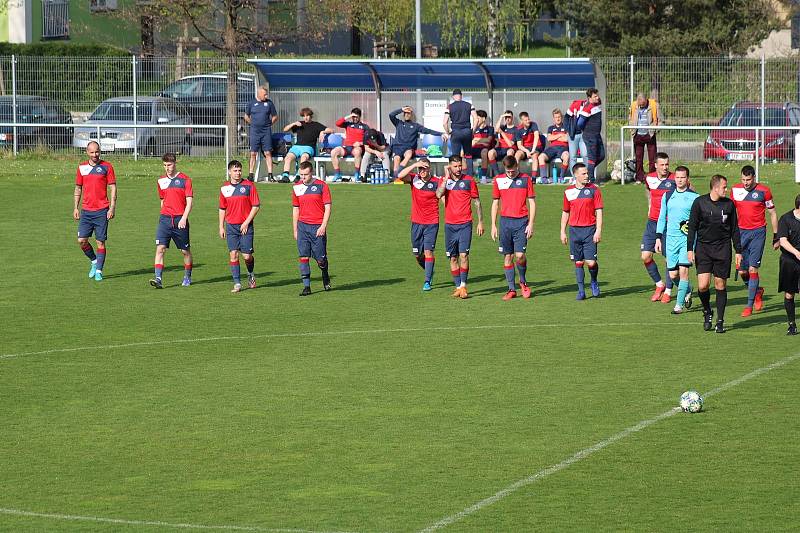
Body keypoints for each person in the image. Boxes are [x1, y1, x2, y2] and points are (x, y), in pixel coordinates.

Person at [687, 175, 743, 333]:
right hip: (703, 249)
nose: (727, 189)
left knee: (720, 284)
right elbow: (692, 227)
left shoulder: (729, 205)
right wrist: (690, 248)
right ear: (715, 187)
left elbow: (734, 229)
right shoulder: (699, 203)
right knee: (703, 285)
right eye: (724, 187)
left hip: (723, 249)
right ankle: (707, 311)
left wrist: (738, 250)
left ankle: (720, 320)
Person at [730, 165, 778, 317]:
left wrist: (776, 235)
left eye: (748, 180)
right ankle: (757, 291)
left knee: (752, 270)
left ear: (754, 178)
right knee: (743, 272)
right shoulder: (735, 191)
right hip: (741, 233)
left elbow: (772, 213)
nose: (745, 183)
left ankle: (749, 306)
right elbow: (730, 211)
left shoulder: (764, 191)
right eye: (743, 179)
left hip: (758, 233)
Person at [436, 155, 484, 299]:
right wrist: (445, 179)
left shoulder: (469, 180)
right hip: (450, 225)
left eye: (459, 166)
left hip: (465, 224)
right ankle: (458, 287)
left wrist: (481, 222)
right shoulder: (445, 181)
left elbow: (477, 202)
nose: (458, 169)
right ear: (449, 166)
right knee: (453, 258)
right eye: (455, 166)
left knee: (464, 255)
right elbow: (438, 195)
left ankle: (463, 285)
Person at [655, 166, 699, 314]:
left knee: (684, 271)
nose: (680, 180)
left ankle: (678, 306)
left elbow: (699, 220)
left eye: (683, 177)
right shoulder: (667, 196)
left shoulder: (695, 197)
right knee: (673, 275)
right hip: (670, 239)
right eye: (678, 177)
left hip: (687, 240)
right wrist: (658, 238)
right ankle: (687, 289)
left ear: (688, 179)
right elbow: (662, 217)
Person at [491, 156, 536, 300]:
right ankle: (511, 289)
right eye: (508, 171)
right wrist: (493, 225)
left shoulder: (526, 179)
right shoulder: (498, 180)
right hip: (505, 223)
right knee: (508, 256)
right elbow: (495, 204)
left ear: (517, 166)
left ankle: (522, 282)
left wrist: (531, 223)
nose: (510, 174)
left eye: (512, 171)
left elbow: (532, 203)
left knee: (520, 256)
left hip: (521, 222)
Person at [74, 141, 116, 282]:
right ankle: (94, 261)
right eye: (92, 152)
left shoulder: (107, 167)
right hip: (86, 211)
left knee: (100, 242)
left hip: (102, 210)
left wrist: (112, 207)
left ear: (100, 151)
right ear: (87, 152)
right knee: (81, 241)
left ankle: (99, 270)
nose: (95, 154)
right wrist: (75, 207)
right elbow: (78, 188)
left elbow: (113, 187)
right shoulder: (82, 167)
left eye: (97, 151)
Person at [150, 153, 193, 289]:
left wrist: (184, 218)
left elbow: (189, 201)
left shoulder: (185, 179)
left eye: (169, 165)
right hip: (165, 220)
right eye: (164, 165)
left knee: (185, 251)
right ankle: (158, 278)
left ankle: (187, 275)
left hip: (180, 219)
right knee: (160, 249)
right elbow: (162, 200)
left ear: (175, 163)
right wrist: (164, 216)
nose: (167, 168)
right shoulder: (161, 181)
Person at [560, 162, 603, 300]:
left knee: (591, 262)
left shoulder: (594, 190)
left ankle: (594, 282)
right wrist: (562, 231)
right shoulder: (568, 191)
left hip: (590, 230)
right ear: (576, 175)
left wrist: (598, 230)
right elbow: (565, 212)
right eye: (583, 173)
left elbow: (599, 211)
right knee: (578, 262)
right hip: (574, 231)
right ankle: (581, 291)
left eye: (587, 173)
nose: (586, 175)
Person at [397, 158, 441, 291]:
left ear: (430, 169)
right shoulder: (414, 180)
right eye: (420, 168)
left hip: (432, 222)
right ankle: (429, 269)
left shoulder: (436, 182)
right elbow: (399, 175)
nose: (422, 170)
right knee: (417, 254)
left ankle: (427, 280)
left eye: (425, 168)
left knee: (428, 251)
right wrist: (415, 164)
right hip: (416, 223)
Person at [219, 160, 260, 293]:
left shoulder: (249, 186)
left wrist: (246, 222)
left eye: (239, 170)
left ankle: (250, 273)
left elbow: (256, 206)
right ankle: (237, 283)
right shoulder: (224, 188)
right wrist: (221, 226)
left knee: (247, 256)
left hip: (246, 226)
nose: (238, 173)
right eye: (235, 171)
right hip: (231, 226)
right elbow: (222, 208)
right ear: (229, 172)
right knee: (233, 255)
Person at [292, 161, 332, 295]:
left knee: (321, 259)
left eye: (305, 174)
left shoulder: (322, 186)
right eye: (301, 174)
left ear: (312, 173)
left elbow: (327, 207)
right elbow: (295, 210)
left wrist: (323, 226)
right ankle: (306, 287)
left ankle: (325, 274)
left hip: (317, 227)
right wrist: (295, 229)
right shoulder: (296, 187)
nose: (303, 177)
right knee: (303, 256)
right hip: (302, 226)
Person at [641, 152, 675, 302]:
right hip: (652, 222)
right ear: (655, 165)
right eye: (662, 164)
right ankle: (659, 284)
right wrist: (649, 204)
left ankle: (668, 291)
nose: (665, 167)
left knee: (669, 259)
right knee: (646, 256)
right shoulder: (650, 178)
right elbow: (648, 189)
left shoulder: (676, 178)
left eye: (667, 164)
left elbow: (691, 192)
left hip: (669, 224)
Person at [388, 106, 445, 178]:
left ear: (411, 115)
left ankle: (398, 174)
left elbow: (428, 131)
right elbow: (391, 115)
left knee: (408, 154)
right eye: (405, 113)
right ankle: (396, 177)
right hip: (397, 147)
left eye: (409, 113)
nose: (407, 115)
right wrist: (401, 109)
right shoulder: (399, 123)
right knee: (396, 159)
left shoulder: (416, 126)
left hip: (408, 149)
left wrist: (441, 134)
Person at [280, 108, 331, 183]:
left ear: (311, 116)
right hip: (297, 147)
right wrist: (293, 124)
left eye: (307, 115)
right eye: (304, 116)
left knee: (304, 157)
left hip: (308, 147)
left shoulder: (316, 125)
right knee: (288, 157)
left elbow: (331, 130)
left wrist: (322, 132)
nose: (305, 117)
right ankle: (285, 176)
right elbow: (285, 129)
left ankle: (299, 175)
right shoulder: (299, 124)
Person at [775, 194, 800, 335]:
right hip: (789, 261)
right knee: (789, 294)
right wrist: (796, 252)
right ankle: (792, 324)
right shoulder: (786, 219)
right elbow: (783, 240)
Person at [245, 85, 278, 182]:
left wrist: (269, 124)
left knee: (268, 152)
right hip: (255, 131)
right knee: (253, 153)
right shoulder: (251, 103)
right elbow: (246, 116)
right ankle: (251, 174)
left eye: (266, 94)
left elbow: (275, 116)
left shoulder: (269, 103)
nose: (266, 96)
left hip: (266, 131)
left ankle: (270, 175)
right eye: (264, 94)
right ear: (259, 94)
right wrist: (253, 124)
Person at [443, 89, 477, 176]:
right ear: (461, 96)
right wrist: (472, 131)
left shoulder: (450, 107)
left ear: (453, 97)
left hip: (455, 132)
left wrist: (448, 132)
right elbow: (476, 119)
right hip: (467, 131)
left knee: (455, 157)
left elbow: (444, 122)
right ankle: (469, 177)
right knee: (468, 155)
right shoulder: (469, 105)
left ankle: (454, 176)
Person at [629, 93, 662, 183]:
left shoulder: (654, 105)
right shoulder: (634, 105)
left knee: (652, 158)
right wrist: (632, 130)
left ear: (646, 100)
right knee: (639, 158)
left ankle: (652, 177)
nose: (641, 106)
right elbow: (630, 118)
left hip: (650, 134)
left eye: (643, 104)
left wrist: (656, 130)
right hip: (638, 135)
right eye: (640, 105)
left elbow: (660, 119)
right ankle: (639, 177)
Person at [332, 108, 369, 182]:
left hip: (356, 148)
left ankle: (357, 174)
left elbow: (369, 140)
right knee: (334, 152)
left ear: (360, 116)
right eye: (353, 116)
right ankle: (337, 174)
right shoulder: (348, 124)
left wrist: (360, 143)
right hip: (346, 148)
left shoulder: (365, 126)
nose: (355, 118)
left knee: (357, 152)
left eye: (356, 116)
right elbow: (337, 123)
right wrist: (349, 116)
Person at [579, 88, 605, 182]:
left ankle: (586, 171)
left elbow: (599, 99)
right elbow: (580, 123)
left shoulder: (597, 103)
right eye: (595, 96)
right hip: (590, 136)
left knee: (601, 156)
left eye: (597, 95)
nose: (598, 97)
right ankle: (591, 180)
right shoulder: (587, 107)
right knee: (592, 158)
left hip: (597, 135)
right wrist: (586, 130)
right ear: (589, 98)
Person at [538, 108, 570, 183]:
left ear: (561, 117)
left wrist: (555, 137)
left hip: (563, 148)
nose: (558, 119)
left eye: (559, 117)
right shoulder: (551, 128)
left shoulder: (566, 126)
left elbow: (566, 139)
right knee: (541, 157)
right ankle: (544, 179)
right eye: (556, 117)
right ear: (553, 118)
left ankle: (561, 177)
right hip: (552, 148)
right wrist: (560, 135)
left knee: (566, 156)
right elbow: (549, 138)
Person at [514, 111, 543, 180]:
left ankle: (533, 178)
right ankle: (517, 175)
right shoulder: (518, 129)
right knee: (517, 155)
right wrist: (526, 151)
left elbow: (536, 136)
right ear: (522, 121)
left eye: (528, 119)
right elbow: (519, 145)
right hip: (525, 148)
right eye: (526, 120)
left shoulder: (533, 124)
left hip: (535, 147)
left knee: (534, 156)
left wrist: (533, 150)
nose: (528, 121)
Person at [488, 110, 517, 176]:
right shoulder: (502, 127)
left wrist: (502, 133)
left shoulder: (516, 129)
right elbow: (496, 129)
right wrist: (501, 117)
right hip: (501, 148)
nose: (507, 119)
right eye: (506, 117)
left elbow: (510, 144)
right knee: (490, 153)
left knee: (509, 152)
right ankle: (497, 175)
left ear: (512, 118)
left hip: (510, 148)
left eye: (509, 117)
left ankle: (508, 174)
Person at [565, 97, 588, 178]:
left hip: (584, 134)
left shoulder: (592, 108)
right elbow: (566, 117)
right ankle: (575, 178)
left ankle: (585, 176)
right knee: (573, 156)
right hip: (573, 135)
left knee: (585, 155)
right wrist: (568, 130)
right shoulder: (576, 104)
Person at [471, 110, 495, 183]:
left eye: (478, 118)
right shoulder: (473, 129)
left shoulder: (490, 129)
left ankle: (483, 177)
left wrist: (476, 140)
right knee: (463, 152)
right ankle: (468, 176)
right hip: (474, 148)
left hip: (483, 149)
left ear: (483, 119)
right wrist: (480, 141)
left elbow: (488, 141)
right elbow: (471, 142)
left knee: (484, 152)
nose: (476, 120)